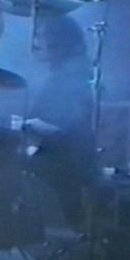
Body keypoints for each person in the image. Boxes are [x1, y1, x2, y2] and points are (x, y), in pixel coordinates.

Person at [20, 14, 96, 229]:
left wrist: (25, 125)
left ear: (58, 42)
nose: (35, 43)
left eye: (40, 36)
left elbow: (65, 132)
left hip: (65, 161)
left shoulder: (71, 78)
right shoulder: (66, 75)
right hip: (59, 155)